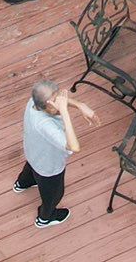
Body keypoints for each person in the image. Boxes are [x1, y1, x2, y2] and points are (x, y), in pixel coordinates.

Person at [15, 79, 96, 228]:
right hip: (49, 167)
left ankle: (22, 183)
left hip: (33, 154)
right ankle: (45, 217)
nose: (60, 102)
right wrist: (64, 111)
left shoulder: (33, 102)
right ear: (47, 106)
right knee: (54, 194)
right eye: (56, 101)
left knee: (31, 170)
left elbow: (57, 100)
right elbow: (74, 146)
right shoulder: (45, 125)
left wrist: (80, 105)